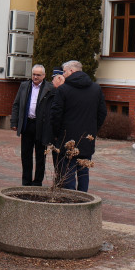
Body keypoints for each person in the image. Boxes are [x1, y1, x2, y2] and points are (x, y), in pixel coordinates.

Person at [50, 60, 107, 192]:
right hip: (87, 138)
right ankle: (83, 198)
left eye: (64, 71)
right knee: (83, 171)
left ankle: (71, 200)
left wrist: (57, 134)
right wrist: (93, 130)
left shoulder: (63, 89)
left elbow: (56, 115)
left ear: (71, 71)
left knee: (67, 171)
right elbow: (102, 113)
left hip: (67, 139)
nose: (63, 75)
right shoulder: (96, 89)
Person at [11, 64, 50, 186]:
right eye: (34, 74)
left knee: (40, 155)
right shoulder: (24, 86)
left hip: (41, 126)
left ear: (44, 76)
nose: (35, 77)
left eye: (38, 75)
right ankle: (26, 181)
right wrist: (14, 122)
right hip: (27, 124)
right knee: (26, 154)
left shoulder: (49, 88)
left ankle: (37, 181)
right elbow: (16, 104)